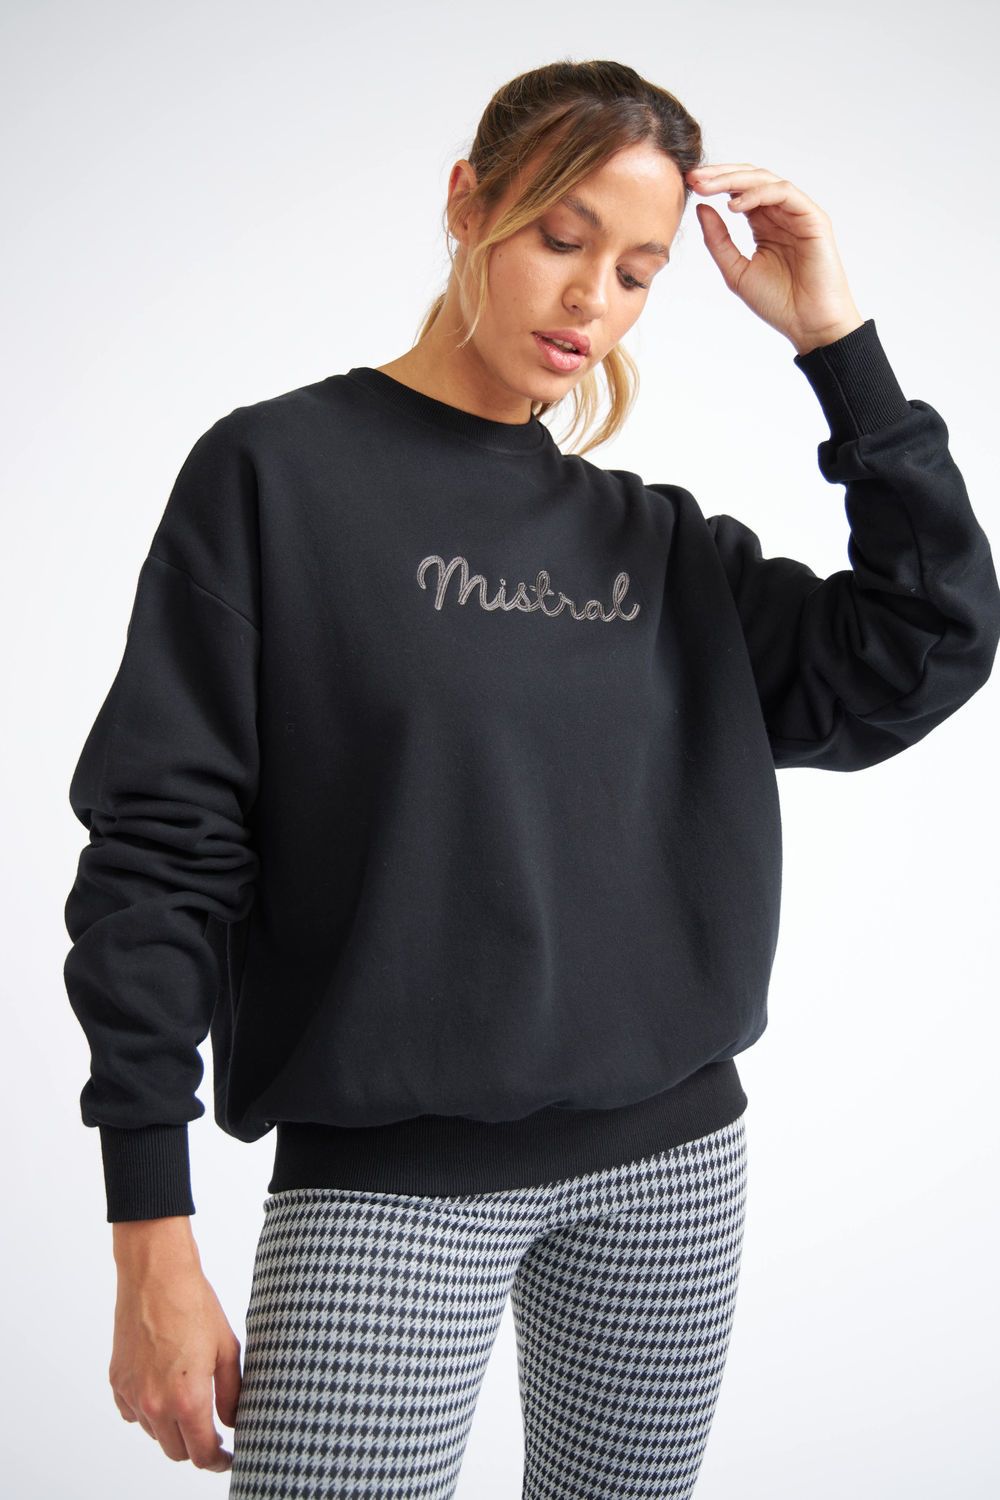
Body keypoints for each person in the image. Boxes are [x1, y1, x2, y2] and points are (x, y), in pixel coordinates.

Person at [63, 58, 1000, 1500]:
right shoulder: (274, 477)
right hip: (388, 1188)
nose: (591, 301)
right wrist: (150, 1238)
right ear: (469, 203)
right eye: (564, 239)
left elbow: (926, 643)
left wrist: (838, 344)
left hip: (672, 1172)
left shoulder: (655, 546)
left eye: (636, 272)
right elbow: (159, 849)